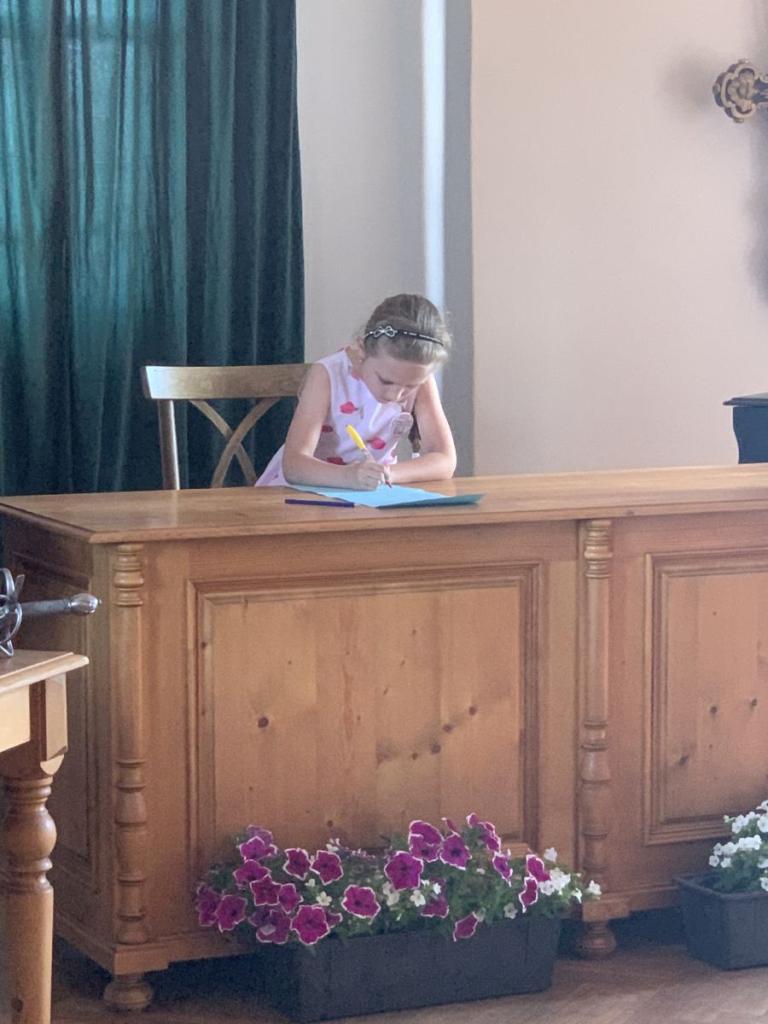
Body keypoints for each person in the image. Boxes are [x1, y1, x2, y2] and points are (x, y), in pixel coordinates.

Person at [256, 293, 457, 490]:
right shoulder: (328, 374)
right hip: (303, 493)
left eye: (410, 386)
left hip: (369, 495)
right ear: (362, 349)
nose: (394, 395)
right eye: (385, 381)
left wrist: (386, 474)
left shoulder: (420, 379)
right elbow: (294, 466)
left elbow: (444, 460)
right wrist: (349, 476)